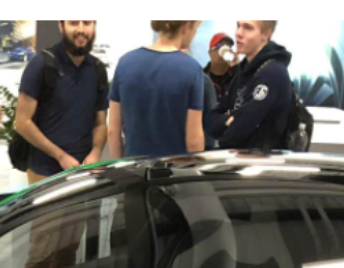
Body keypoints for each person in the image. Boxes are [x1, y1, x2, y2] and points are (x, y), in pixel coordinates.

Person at [14, 20, 107, 181]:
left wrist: (96, 152)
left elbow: (100, 123)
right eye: (73, 23)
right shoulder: (41, 64)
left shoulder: (97, 69)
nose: (81, 29)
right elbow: (22, 122)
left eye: (86, 23)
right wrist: (61, 156)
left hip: (85, 173)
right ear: (61, 26)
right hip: (44, 173)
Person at [105, 21, 204, 159]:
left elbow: (113, 131)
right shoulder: (192, 69)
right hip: (175, 169)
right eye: (196, 28)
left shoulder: (125, 63)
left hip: (133, 168)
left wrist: (120, 166)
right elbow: (193, 142)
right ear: (187, 26)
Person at [212, 20, 293, 151]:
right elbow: (211, 118)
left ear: (266, 34)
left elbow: (239, 131)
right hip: (238, 157)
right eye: (238, 26)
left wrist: (230, 121)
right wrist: (227, 120)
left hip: (260, 160)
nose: (238, 33)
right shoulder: (245, 68)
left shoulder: (271, 73)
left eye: (248, 28)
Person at [204, 32, 237, 102]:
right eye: (219, 46)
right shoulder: (201, 77)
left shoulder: (237, 75)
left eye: (228, 47)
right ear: (210, 52)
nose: (223, 50)